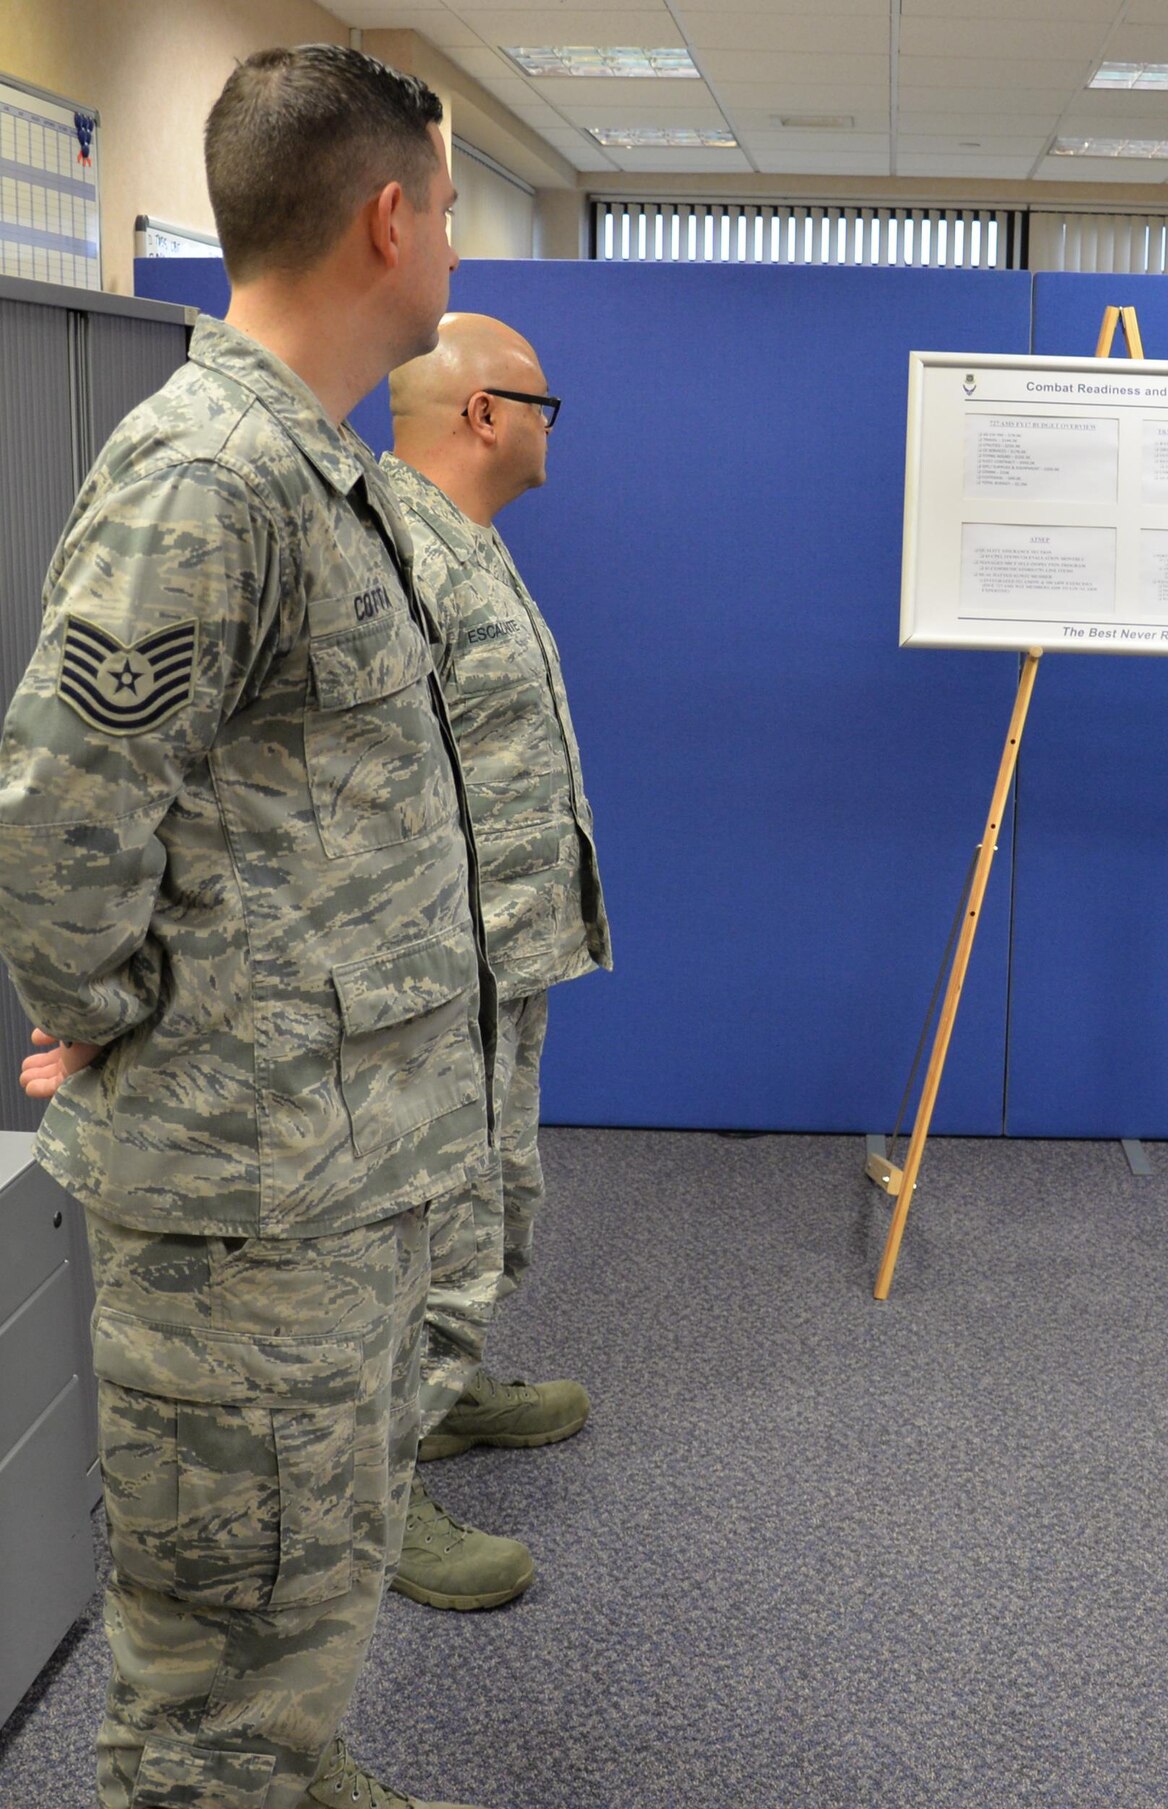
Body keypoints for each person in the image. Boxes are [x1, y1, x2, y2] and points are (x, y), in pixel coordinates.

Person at [1, 45, 494, 1809]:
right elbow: (62, 821)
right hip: (240, 1200)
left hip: (325, 1183)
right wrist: (126, 1013)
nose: (455, 240)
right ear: (386, 217)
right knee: (211, 1664)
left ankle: (297, 1763)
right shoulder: (208, 474)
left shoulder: (315, 471)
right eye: (446, 206)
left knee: (301, 1591)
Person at [374, 314, 611, 1611]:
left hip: (500, 957)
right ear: (482, 415)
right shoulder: (398, 559)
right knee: (433, 1233)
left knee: (497, 1197)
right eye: (540, 402)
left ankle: (448, 1390)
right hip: (434, 982)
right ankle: (379, 1493)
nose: (548, 423)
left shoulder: (468, 542)